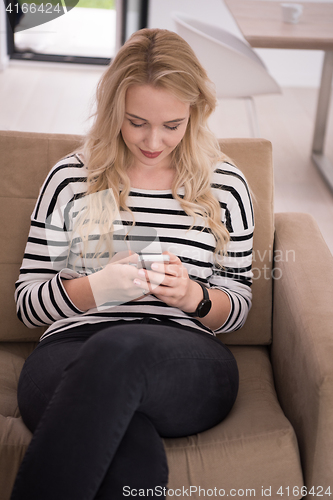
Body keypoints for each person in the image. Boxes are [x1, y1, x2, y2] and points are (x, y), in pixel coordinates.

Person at [10, 28, 254, 500]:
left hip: (184, 355)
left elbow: (239, 305)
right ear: (113, 110)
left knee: (119, 351)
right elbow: (27, 305)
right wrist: (97, 288)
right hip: (70, 352)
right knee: (129, 451)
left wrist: (191, 296)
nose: (154, 141)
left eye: (173, 124)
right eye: (136, 121)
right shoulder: (73, 178)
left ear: (195, 113)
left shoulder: (225, 185)